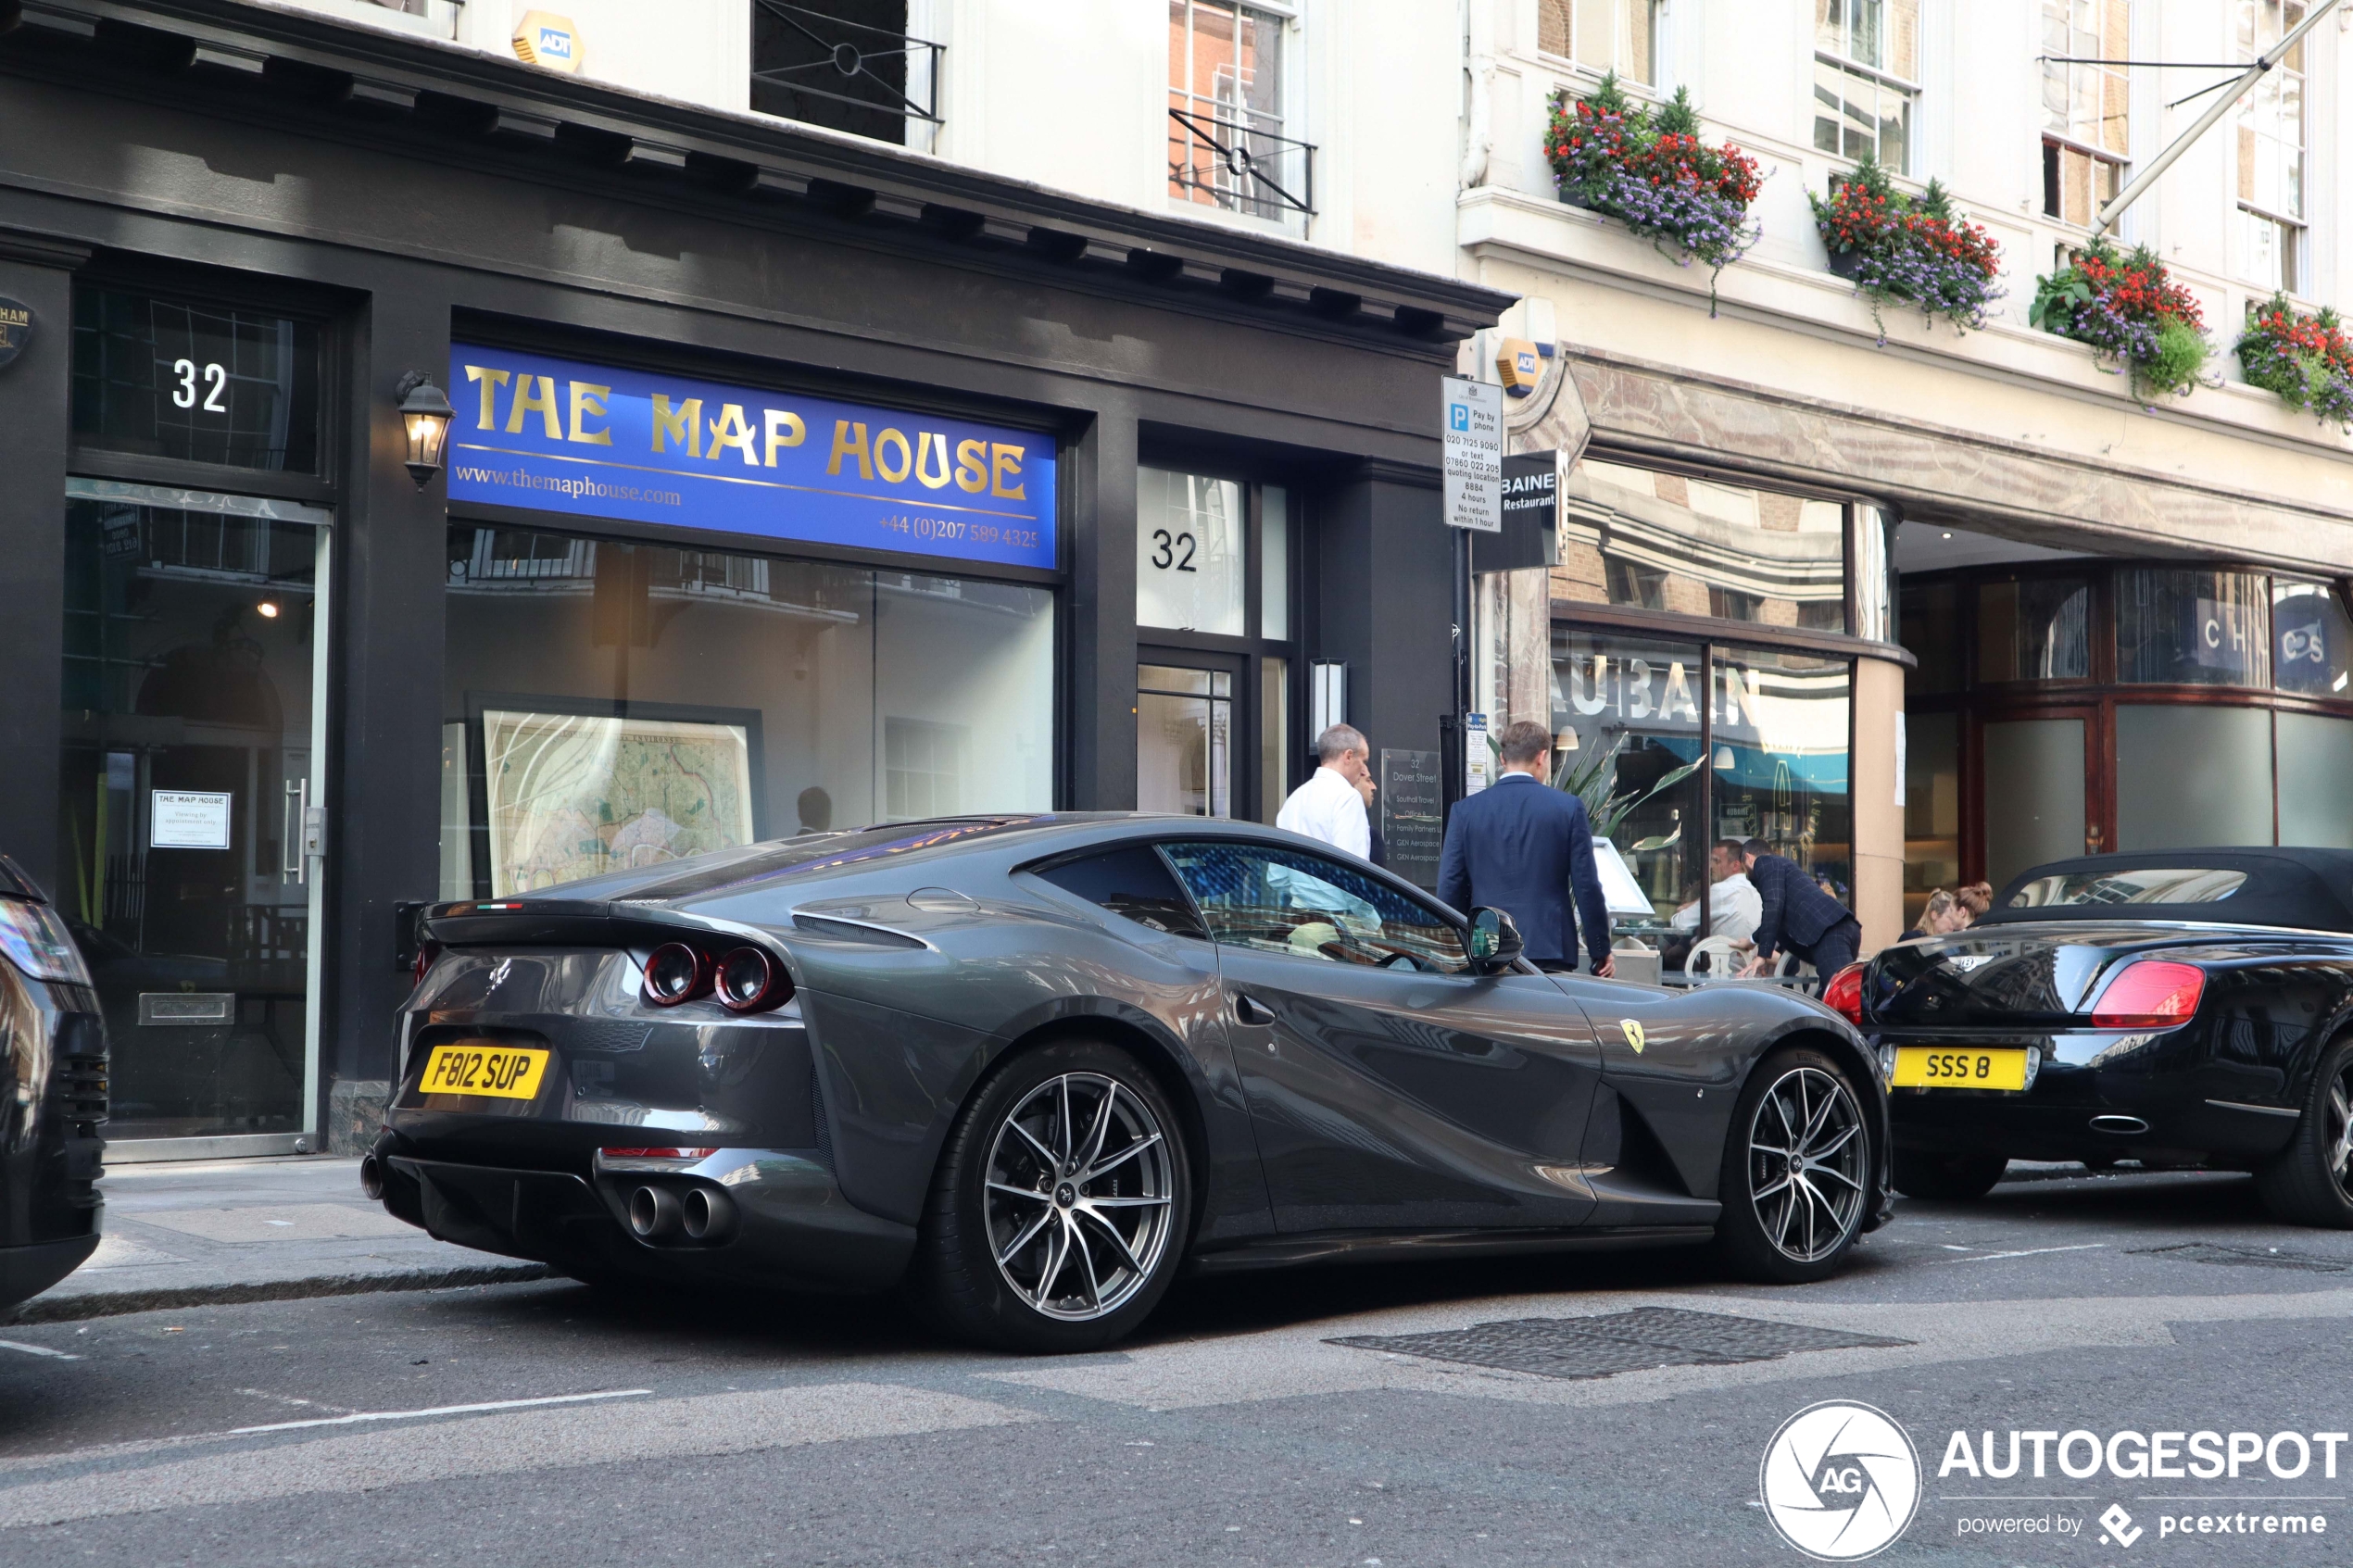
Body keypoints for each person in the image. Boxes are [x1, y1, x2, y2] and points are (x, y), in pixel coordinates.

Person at [1437, 719, 1615, 977]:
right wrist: (1600, 950)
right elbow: (1586, 885)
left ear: (1502, 758)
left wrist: (1454, 949)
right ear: (1542, 757)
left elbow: (1450, 886)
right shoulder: (1567, 808)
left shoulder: (1465, 812)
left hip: (1486, 945)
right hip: (1549, 946)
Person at [1739, 838, 1862, 982]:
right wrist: (1752, 940)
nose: (1748, 877)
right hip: (1836, 930)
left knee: (1840, 999)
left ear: (1748, 857)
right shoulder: (1782, 869)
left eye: (1745, 870)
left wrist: (1762, 955)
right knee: (1837, 995)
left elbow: (1773, 904)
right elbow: (1776, 917)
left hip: (1829, 933)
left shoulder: (1764, 862)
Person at [1277, 723, 1372, 859]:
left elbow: (1276, 877)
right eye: (1363, 761)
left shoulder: (1293, 800)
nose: (1364, 769)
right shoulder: (1348, 797)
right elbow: (1353, 869)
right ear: (1348, 756)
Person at [1670, 838, 1763, 947]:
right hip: (1747, 961)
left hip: (1716, 960)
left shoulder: (1720, 890)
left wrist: (1682, 910)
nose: (1710, 866)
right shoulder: (1755, 893)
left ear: (1735, 865)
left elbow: (1679, 923)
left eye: (1716, 861)